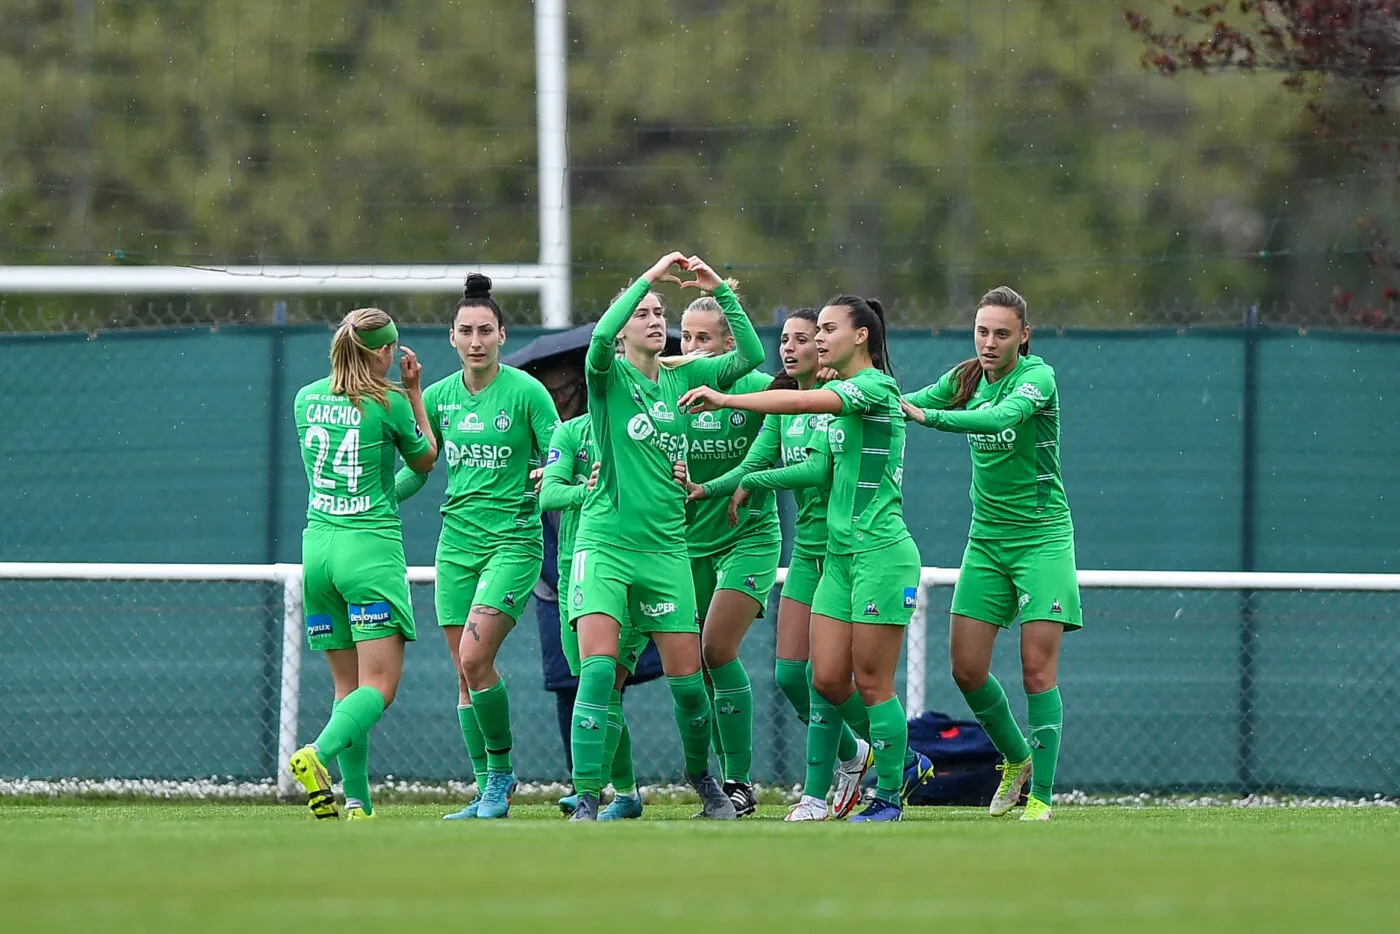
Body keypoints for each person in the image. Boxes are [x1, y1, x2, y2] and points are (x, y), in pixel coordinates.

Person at [679, 294, 932, 822]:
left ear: (860, 336)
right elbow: (798, 432)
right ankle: (883, 762)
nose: (815, 340)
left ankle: (887, 794)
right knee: (823, 680)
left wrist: (727, 402)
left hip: (880, 553)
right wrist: (723, 483)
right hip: (835, 558)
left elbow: (799, 408)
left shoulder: (873, 387)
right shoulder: (837, 390)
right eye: (808, 332)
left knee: (871, 682)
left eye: (826, 329)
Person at [566, 251, 763, 822]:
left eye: (660, 312)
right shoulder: (606, 375)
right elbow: (600, 336)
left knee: (688, 683)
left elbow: (750, 354)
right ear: (626, 325)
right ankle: (585, 795)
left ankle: (703, 779)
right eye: (644, 313)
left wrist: (721, 289)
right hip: (604, 545)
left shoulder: (685, 376)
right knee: (600, 669)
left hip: (665, 550)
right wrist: (649, 275)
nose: (656, 319)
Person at [900, 286, 1079, 822]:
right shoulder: (965, 379)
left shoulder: (1036, 379)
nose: (990, 342)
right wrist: (860, 395)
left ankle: (1041, 796)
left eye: (1002, 333)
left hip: (1042, 541)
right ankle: (1018, 758)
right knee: (967, 668)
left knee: (1035, 671)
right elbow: (907, 402)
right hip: (987, 541)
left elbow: (998, 420)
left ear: (1024, 335)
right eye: (982, 331)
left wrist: (928, 418)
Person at [395, 274, 560, 820]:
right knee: (463, 672)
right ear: (451, 337)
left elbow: (559, 453)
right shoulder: (438, 396)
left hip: (513, 542)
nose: (475, 340)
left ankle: (502, 777)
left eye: (485, 330)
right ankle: (487, 785)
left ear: (502, 336)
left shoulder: (527, 393)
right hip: (457, 546)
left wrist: (549, 476)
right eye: (466, 330)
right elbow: (422, 467)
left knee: (474, 656)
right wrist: (373, 499)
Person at [287, 307, 437, 820]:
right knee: (379, 687)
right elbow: (424, 461)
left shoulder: (305, 398)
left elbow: (353, 475)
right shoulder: (391, 401)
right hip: (367, 552)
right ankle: (317, 755)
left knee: (346, 690)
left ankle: (357, 804)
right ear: (381, 352)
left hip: (319, 553)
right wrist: (414, 392)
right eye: (391, 348)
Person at [673, 287, 783, 817]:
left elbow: (798, 405)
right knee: (697, 663)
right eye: (686, 336)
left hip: (749, 535)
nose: (691, 346)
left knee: (718, 647)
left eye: (703, 338)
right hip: (690, 541)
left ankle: (739, 782)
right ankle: (715, 783)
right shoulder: (672, 391)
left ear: (728, 343)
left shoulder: (757, 389)